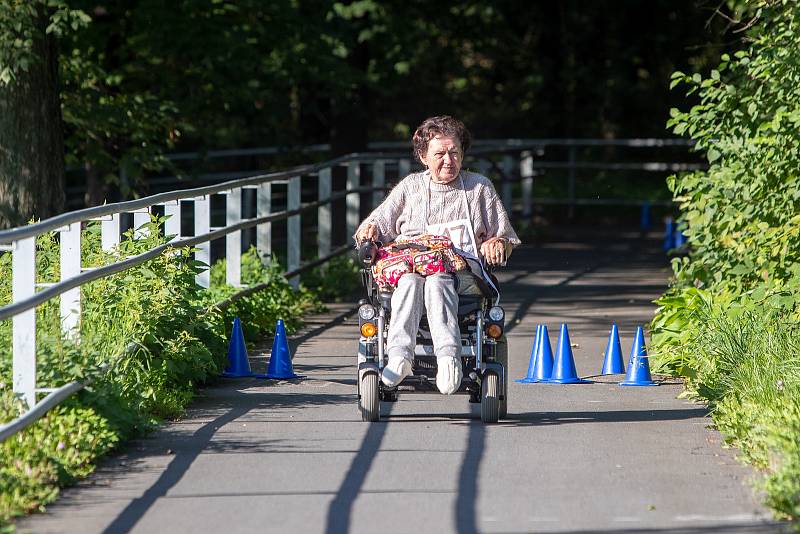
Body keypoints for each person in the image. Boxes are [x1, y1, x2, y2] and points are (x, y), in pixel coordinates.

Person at [354, 115, 520, 394]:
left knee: (437, 281)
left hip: (460, 275)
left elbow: (506, 237)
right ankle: (400, 356)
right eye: (439, 154)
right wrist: (368, 231)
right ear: (423, 156)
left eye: (454, 152)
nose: (448, 160)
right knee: (409, 282)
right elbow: (372, 227)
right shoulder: (410, 188)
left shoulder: (479, 188)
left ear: (463, 153)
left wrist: (498, 242)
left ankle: (448, 357)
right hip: (408, 272)